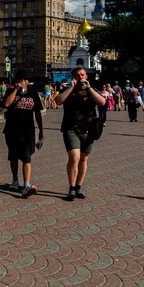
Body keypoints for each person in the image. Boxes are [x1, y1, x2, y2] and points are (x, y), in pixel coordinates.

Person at [55, 67, 107, 200]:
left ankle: (78, 187)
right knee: (74, 158)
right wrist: (71, 88)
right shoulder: (68, 89)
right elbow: (58, 101)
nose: (80, 77)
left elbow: (102, 102)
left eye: (82, 75)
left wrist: (89, 89)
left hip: (89, 130)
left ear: (86, 77)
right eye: (77, 75)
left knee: (83, 159)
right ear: (73, 77)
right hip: (71, 128)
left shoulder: (91, 90)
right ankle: (71, 188)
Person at [2, 69, 44, 196]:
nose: (18, 82)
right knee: (13, 157)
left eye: (20, 80)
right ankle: (15, 180)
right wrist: (15, 90)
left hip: (28, 131)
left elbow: (37, 113)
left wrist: (41, 131)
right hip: (11, 130)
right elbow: (6, 104)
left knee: (27, 157)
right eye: (17, 80)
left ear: (26, 81)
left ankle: (26, 184)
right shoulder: (10, 91)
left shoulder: (33, 93)